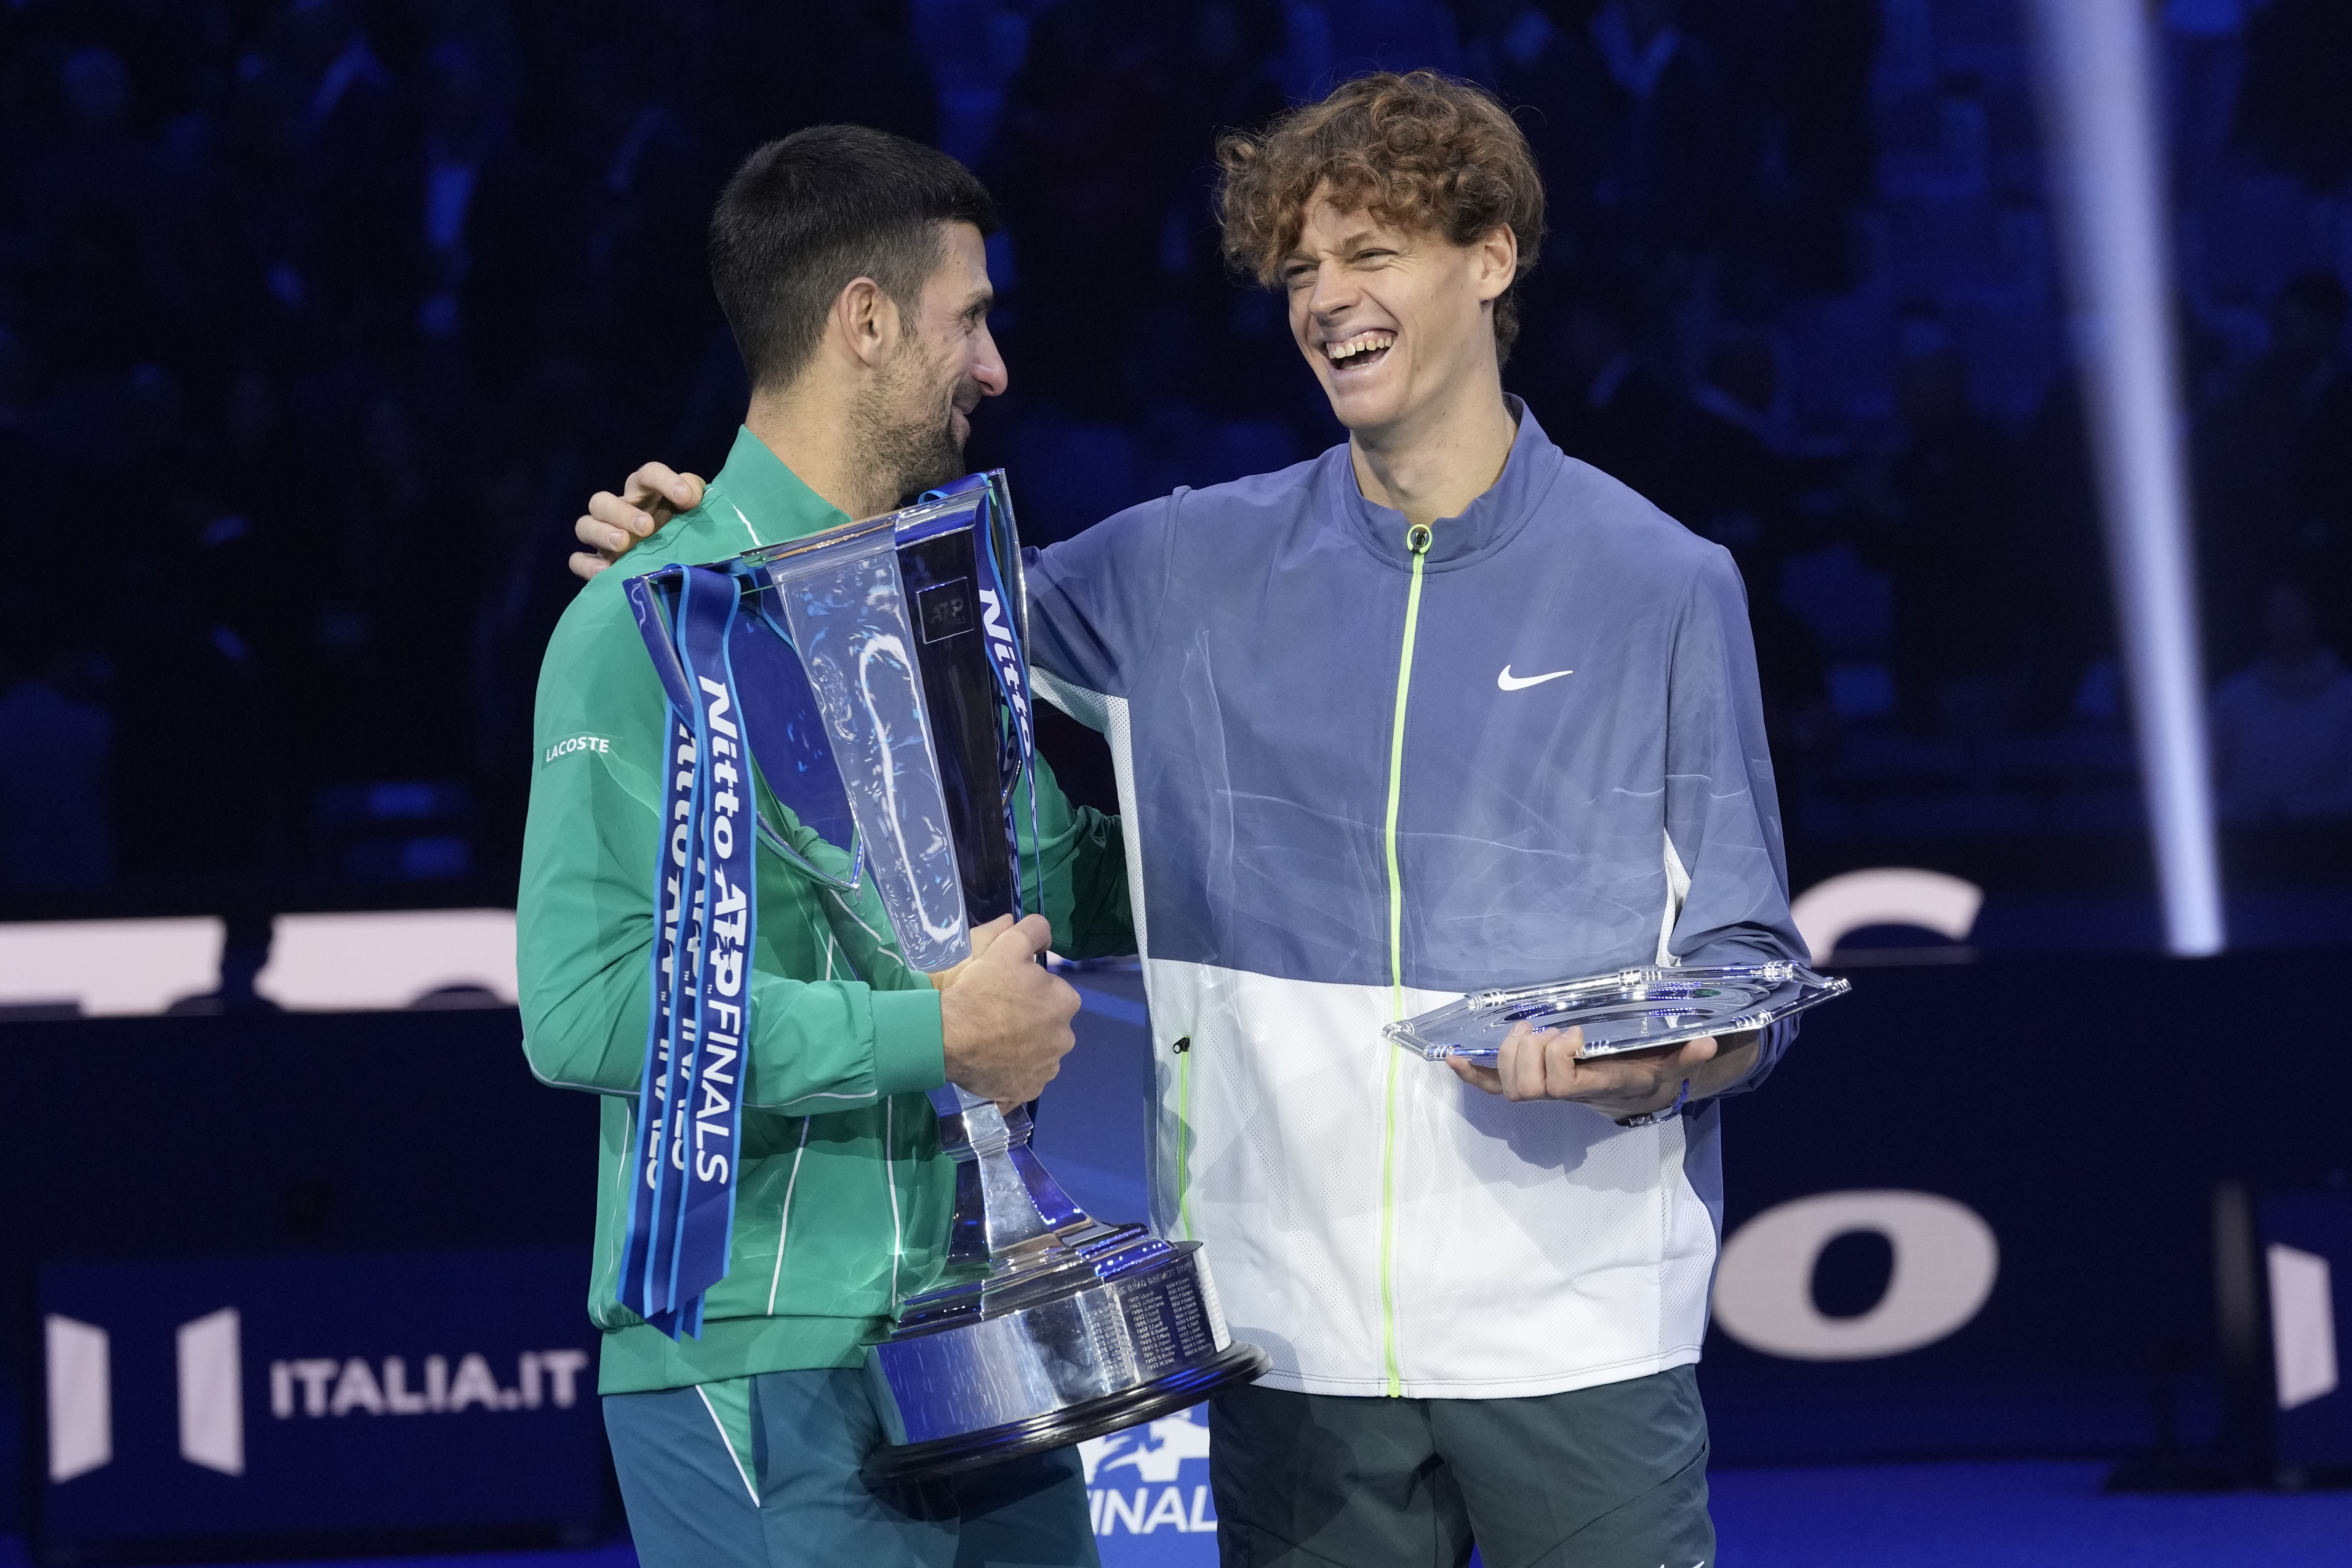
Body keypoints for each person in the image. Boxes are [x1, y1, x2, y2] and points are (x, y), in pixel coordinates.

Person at [577, 74, 1804, 1568]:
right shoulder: (1180, 564)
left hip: (1577, 1325)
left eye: (1369, 255)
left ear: (1490, 256)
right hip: (1289, 1340)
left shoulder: (1662, 582)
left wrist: (1670, 1063)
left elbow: (1747, 955)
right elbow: (882, 620)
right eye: (1297, 267)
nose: (1323, 301)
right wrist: (704, 546)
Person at [519, 125, 1132, 1567]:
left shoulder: (934, 609)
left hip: (986, 1327)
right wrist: (932, 1031)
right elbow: (586, 1006)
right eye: (970, 317)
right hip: (760, 1351)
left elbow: (1060, 887)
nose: (995, 369)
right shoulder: (642, 621)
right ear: (863, 319)